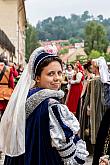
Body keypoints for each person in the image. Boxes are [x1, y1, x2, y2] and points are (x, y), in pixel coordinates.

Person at [0, 46, 89, 165]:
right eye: (50, 74)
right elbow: (68, 151)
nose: (57, 78)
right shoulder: (53, 106)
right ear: (37, 77)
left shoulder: (26, 97)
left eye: (59, 73)